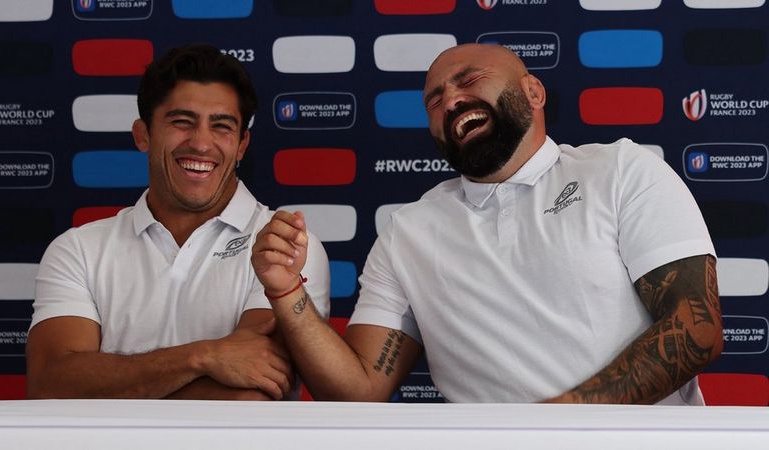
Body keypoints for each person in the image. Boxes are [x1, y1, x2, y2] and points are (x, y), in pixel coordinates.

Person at [251, 43, 722, 404]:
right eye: (434, 100)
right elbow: (360, 387)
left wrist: (559, 427)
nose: (452, 100)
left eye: (469, 80)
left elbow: (695, 329)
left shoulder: (620, 170)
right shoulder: (407, 231)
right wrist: (286, 292)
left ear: (533, 92)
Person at [26, 44, 330, 400]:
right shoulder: (78, 249)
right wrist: (205, 357)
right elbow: (52, 384)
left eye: (221, 126)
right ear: (143, 135)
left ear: (242, 145)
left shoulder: (284, 247)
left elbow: (249, 395)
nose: (201, 143)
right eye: (182, 122)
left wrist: (110, 383)